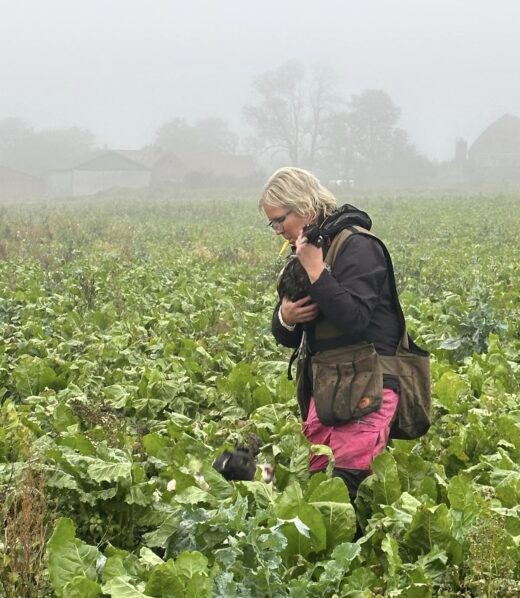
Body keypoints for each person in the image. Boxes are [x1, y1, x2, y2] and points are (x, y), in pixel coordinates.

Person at [260, 166, 402, 503]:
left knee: (347, 490)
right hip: (327, 387)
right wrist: (286, 317)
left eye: (281, 220)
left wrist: (315, 269)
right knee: (319, 487)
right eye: (273, 224)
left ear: (305, 208)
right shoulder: (308, 248)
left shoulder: (358, 248)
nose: (278, 230)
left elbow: (354, 320)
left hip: (369, 383)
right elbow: (295, 334)